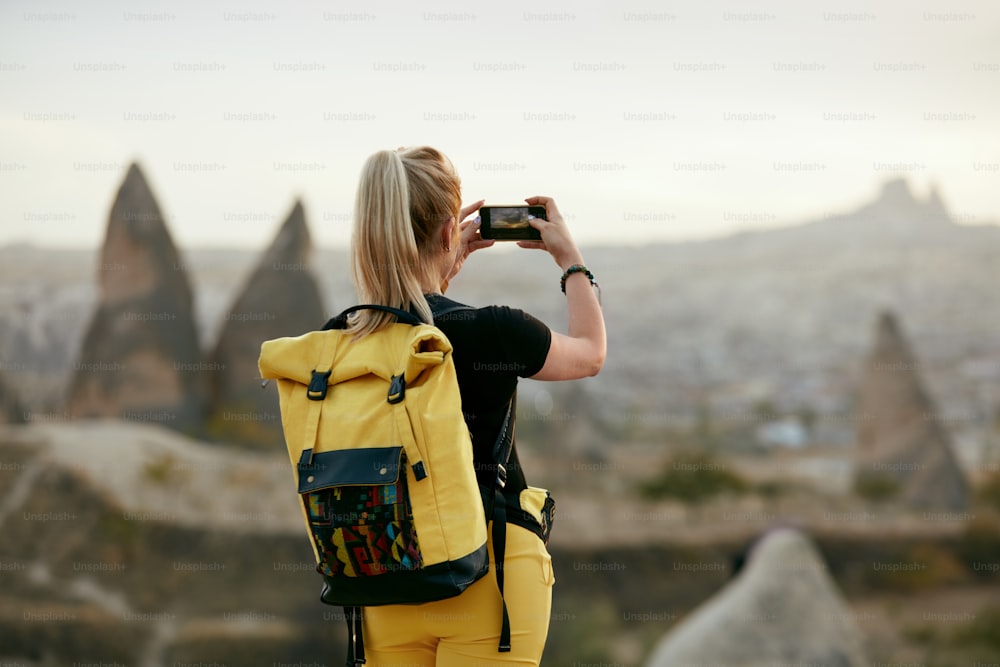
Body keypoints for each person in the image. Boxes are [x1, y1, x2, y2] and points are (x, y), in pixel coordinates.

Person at [346, 146, 606, 666]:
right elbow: (590, 353)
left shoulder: (343, 343)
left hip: (388, 578)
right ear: (449, 232)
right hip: (491, 579)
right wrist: (570, 259)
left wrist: (438, 274)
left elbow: (418, 322)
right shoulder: (490, 329)